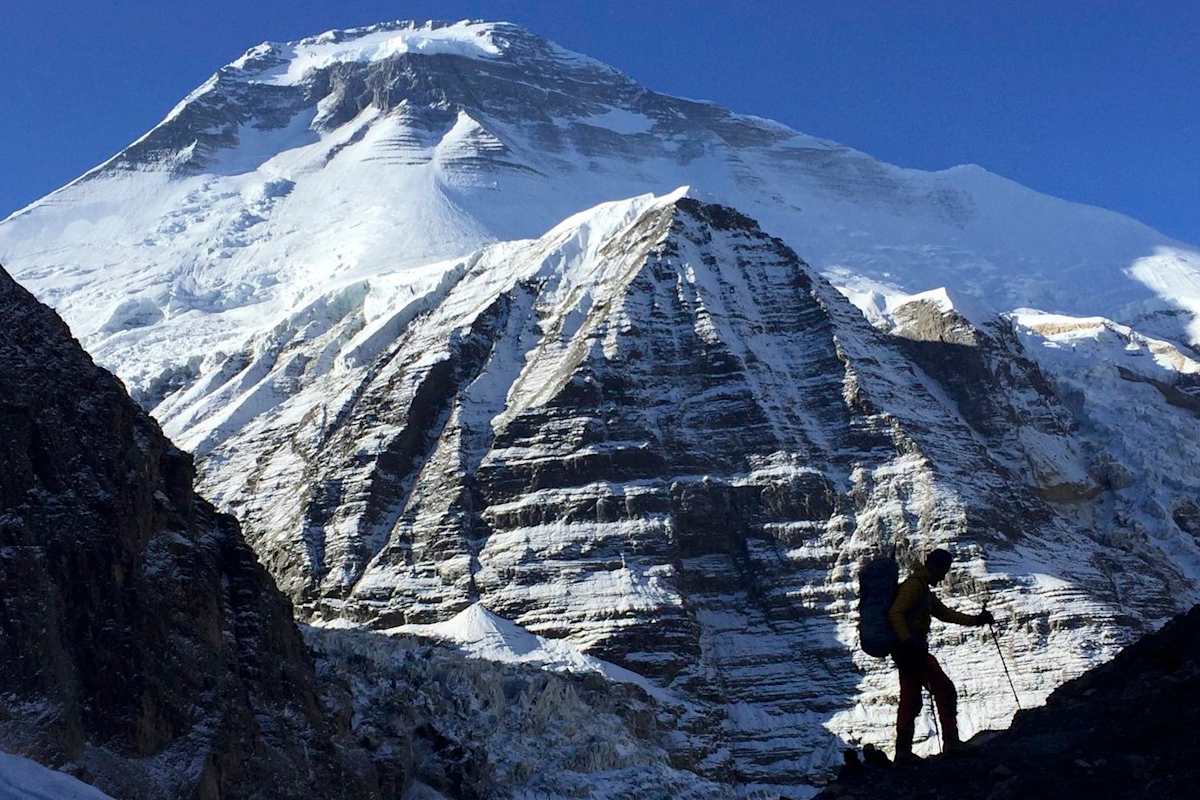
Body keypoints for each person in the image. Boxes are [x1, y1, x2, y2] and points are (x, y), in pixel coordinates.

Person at [888, 548, 993, 763]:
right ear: (935, 567)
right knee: (943, 690)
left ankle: (903, 752)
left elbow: (945, 614)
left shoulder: (922, 589)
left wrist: (976, 620)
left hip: (908, 651)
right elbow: (895, 612)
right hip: (911, 651)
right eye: (943, 570)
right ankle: (950, 743)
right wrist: (907, 639)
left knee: (911, 698)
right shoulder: (915, 588)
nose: (944, 576)